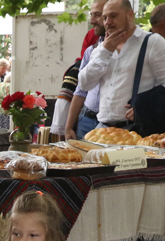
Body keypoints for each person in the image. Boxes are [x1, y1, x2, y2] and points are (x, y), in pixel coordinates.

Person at [77, 0, 165, 130]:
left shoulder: (152, 42)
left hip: (136, 129)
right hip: (102, 129)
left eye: (113, 16)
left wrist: (147, 107)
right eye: (105, 17)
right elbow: (84, 84)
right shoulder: (100, 49)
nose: (107, 22)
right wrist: (105, 51)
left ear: (130, 15)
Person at [65, 0, 106, 140]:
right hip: (86, 120)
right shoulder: (91, 50)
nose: (92, 20)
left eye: (97, 15)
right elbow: (80, 90)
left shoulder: (130, 49)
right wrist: (69, 126)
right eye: (91, 15)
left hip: (112, 125)